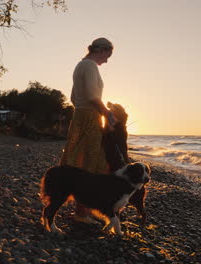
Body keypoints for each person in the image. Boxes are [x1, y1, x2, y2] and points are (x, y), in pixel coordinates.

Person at [60, 37, 116, 223]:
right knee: (91, 164)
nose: (107, 60)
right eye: (108, 55)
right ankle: (82, 213)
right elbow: (93, 96)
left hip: (79, 117)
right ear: (100, 50)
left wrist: (84, 109)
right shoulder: (91, 66)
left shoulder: (80, 65)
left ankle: (84, 209)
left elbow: (74, 97)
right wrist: (107, 114)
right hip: (90, 118)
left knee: (79, 161)